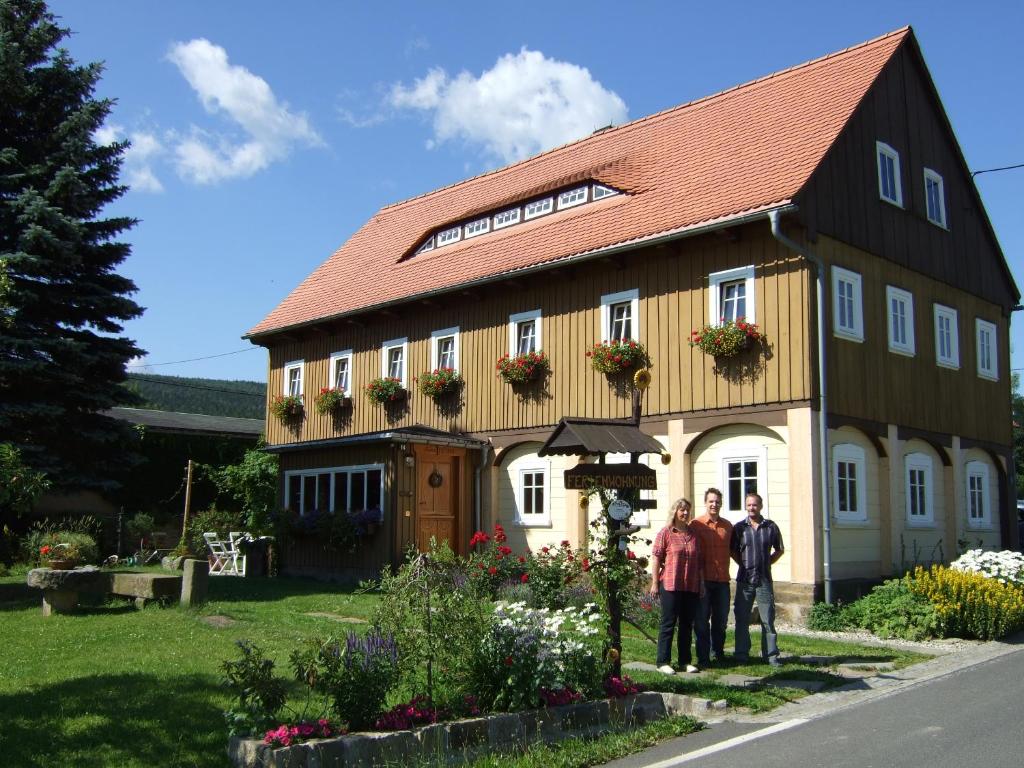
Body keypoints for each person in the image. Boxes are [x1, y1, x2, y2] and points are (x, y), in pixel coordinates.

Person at [730, 492, 785, 667]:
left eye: (754, 505)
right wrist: (744, 565)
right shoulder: (739, 528)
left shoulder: (771, 527)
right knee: (742, 619)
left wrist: (767, 563)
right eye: (748, 505)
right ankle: (741, 655)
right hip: (745, 580)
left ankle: (770, 656)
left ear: (760, 506)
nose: (751, 508)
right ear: (745, 507)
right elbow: (733, 551)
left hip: (764, 580)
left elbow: (779, 549)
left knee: (767, 619)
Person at [649, 497, 703, 674]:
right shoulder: (666, 533)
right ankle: (663, 661)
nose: (685, 513)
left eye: (687, 510)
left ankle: (684, 661)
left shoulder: (693, 535)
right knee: (668, 623)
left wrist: (701, 583)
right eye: (682, 510)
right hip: (671, 584)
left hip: (690, 585)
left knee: (687, 624)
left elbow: (698, 561)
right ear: (675, 512)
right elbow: (656, 557)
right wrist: (655, 582)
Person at [691, 488, 733, 667]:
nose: (714, 504)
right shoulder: (696, 524)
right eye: (711, 501)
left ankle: (718, 652)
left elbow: (734, 550)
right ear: (705, 502)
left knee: (721, 620)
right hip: (703, 580)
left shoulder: (728, 526)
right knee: (701, 620)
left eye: (717, 501)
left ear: (721, 503)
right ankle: (703, 657)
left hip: (722, 580)